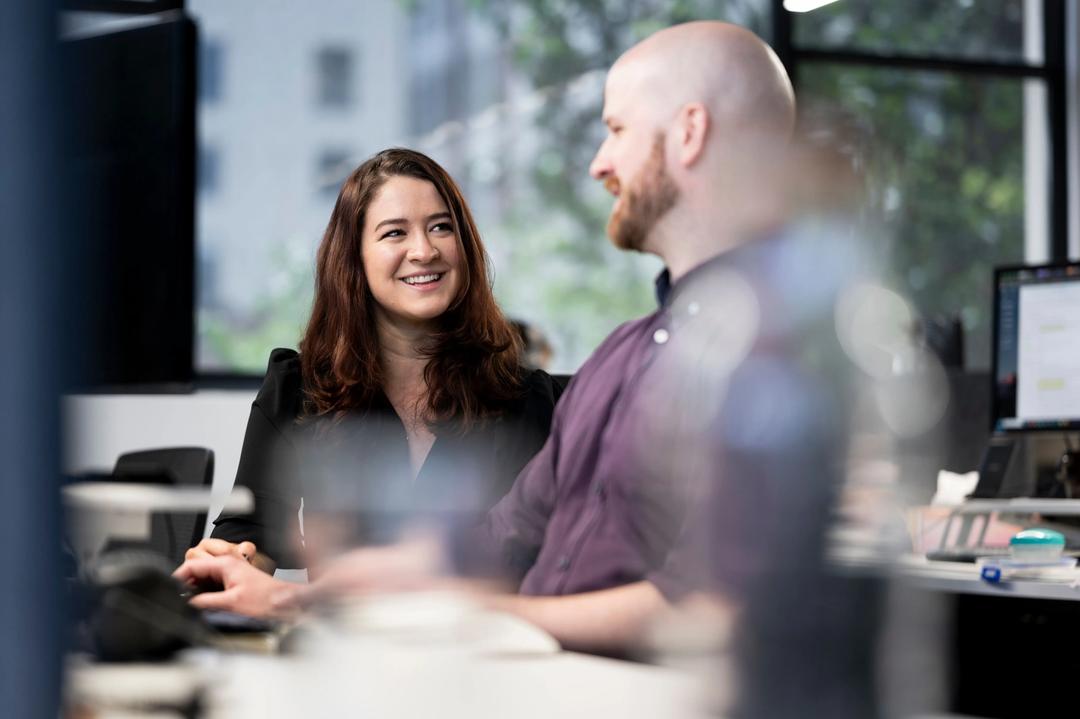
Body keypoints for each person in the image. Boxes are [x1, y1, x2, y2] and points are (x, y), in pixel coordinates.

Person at [177, 22, 859, 663]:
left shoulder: (773, 347)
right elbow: (483, 539)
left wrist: (318, 602)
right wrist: (310, 596)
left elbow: (706, 605)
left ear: (689, 133)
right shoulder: (621, 359)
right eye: (393, 233)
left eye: (616, 129)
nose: (598, 163)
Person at [177, 148, 561, 576]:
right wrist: (234, 559)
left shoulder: (525, 397)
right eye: (395, 233)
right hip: (344, 636)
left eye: (441, 227)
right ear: (354, 258)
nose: (424, 250)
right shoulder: (297, 387)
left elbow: (549, 549)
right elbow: (252, 530)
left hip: (481, 635)